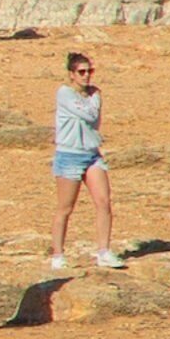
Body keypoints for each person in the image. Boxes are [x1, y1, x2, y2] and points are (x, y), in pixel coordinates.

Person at [51, 51, 122, 270]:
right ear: (71, 74)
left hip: (91, 154)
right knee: (65, 207)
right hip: (69, 155)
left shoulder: (93, 94)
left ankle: (104, 251)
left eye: (89, 71)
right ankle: (58, 254)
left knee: (103, 201)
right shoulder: (65, 93)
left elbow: (94, 118)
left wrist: (94, 98)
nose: (86, 76)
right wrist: (94, 98)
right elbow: (90, 115)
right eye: (81, 72)